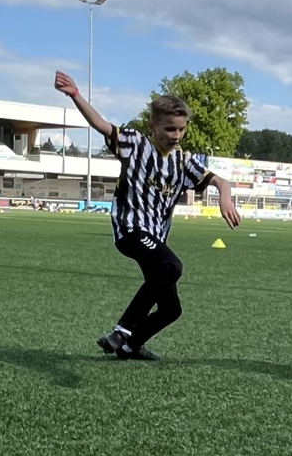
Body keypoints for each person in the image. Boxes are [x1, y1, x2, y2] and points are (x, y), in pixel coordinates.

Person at [54, 70, 241, 360]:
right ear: (153, 125)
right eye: (169, 129)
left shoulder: (183, 160)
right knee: (172, 266)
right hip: (130, 230)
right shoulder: (135, 144)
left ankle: (130, 347)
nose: (175, 135)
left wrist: (224, 198)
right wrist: (76, 95)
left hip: (155, 237)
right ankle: (123, 330)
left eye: (180, 129)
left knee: (171, 309)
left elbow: (220, 181)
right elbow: (102, 126)